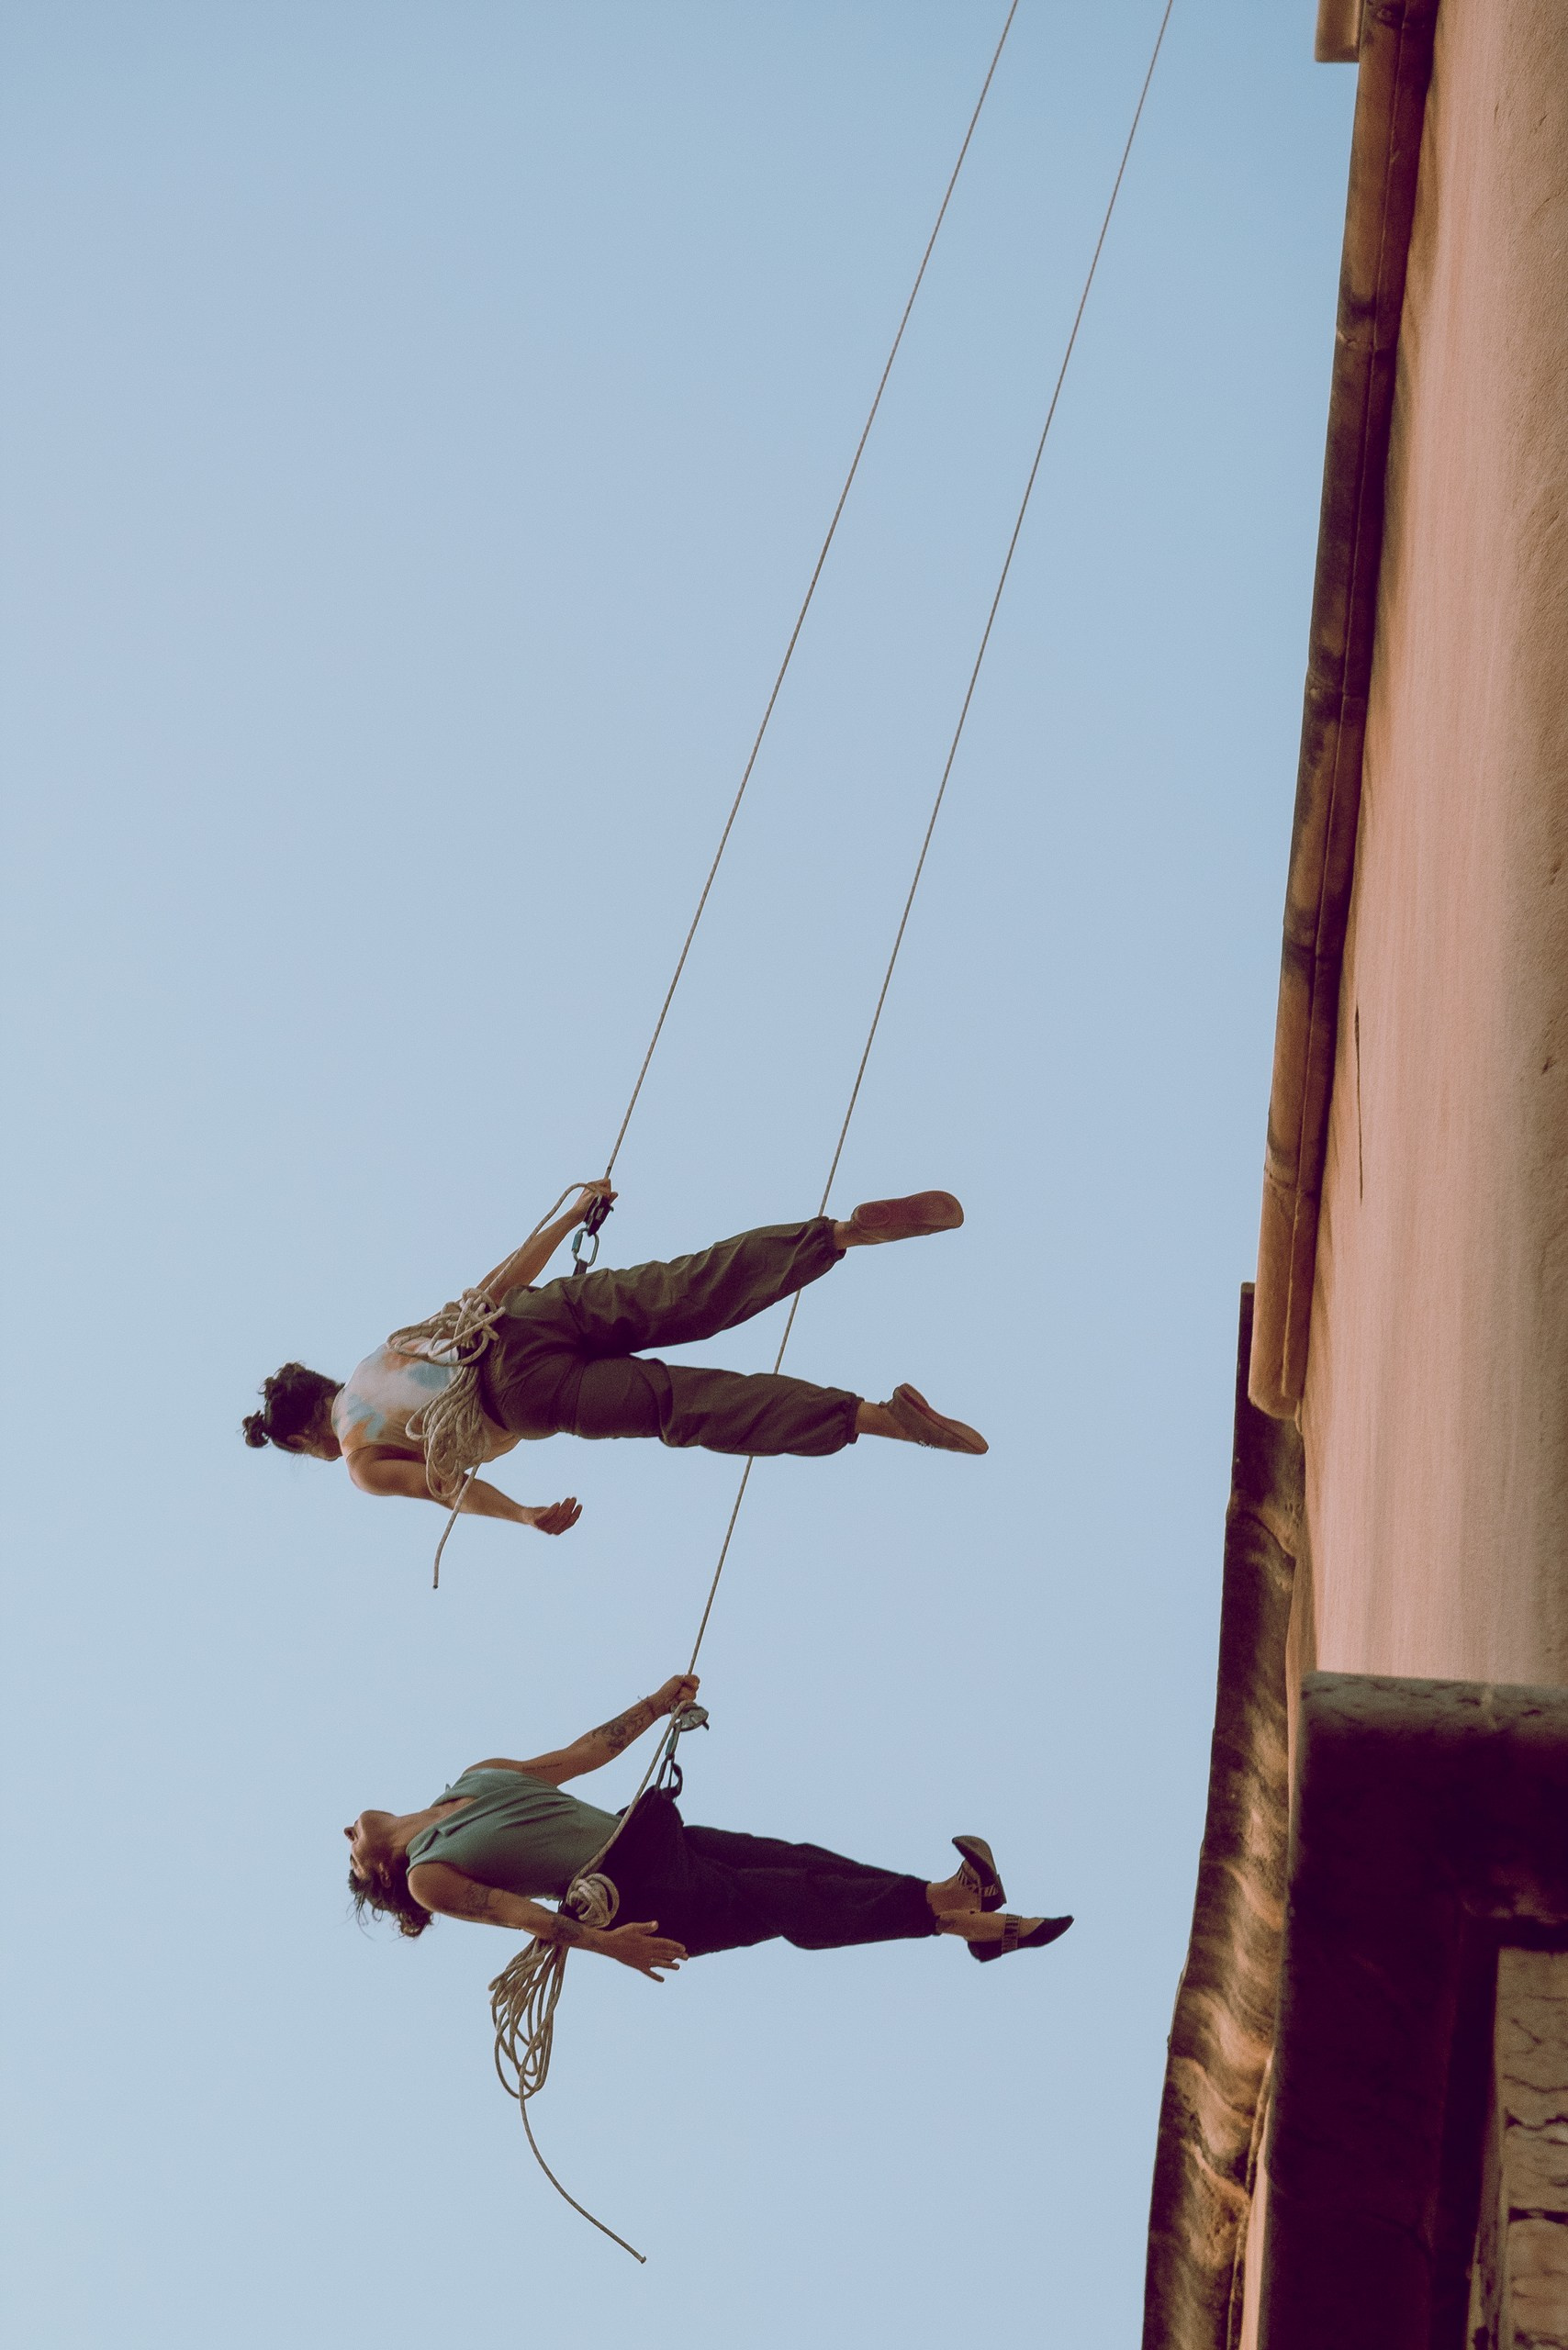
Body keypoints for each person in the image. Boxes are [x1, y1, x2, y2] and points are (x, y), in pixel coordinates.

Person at [244, 1186, 988, 1537]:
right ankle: (840, 1235)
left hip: (520, 1394)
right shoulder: (388, 1350)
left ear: (300, 1437)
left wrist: (523, 1513)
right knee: (690, 1286)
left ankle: (877, 1420)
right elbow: (490, 1288)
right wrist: (568, 1214)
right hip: (530, 1315)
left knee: (686, 1405)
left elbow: (450, 1487)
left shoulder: (359, 1456)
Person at [345, 1672, 1072, 1968]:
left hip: (653, 1835)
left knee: (810, 1866)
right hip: (633, 1892)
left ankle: (966, 1919)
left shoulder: (474, 1777)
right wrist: (612, 1948)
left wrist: (656, 1702)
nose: (346, 1834)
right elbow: (520, 1918)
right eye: (351, 1856)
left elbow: (580, 1755)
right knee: (795, 1903)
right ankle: (951, 1906)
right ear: (381, 1870)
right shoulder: (429, 1878)